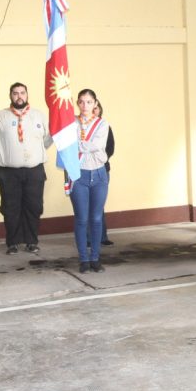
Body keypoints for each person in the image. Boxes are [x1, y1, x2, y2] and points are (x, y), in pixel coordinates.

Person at [0, 82, 52, 254]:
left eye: (22, 93)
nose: (19, 96)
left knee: (34, 206)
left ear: (27, 95)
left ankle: (32, 241)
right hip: (8, 172)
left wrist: (33, 154)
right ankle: (13, 243)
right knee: (11, 207)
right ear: (10, 96)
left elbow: (47, 140)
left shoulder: (39, 116)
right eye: (15, 93)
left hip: (34, 171)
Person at [68, 89, 111, 272]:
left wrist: (77, 143)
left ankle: (95, 257)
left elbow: (97, 145)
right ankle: (83, 260)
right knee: (81, 219)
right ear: (77, 104)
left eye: (89, 102)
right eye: (82, 102)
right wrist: (78, 144)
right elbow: (65, 142)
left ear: (95, 104)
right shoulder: (71, 123)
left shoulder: (102, 124)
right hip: (79, 175)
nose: (85, 106)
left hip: (99, 175)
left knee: (96, 218)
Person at [92, 100, 115, 246]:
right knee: (86, 206)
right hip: (84, 170)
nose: (93, 110)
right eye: (89, 106)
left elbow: (110, 148)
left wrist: (98, 159)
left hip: (102, 169)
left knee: (99, 204)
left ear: (100, 109)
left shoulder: (105, 126)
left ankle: (102, 237)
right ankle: (88, 239)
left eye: (96, 107)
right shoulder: (80, 127)